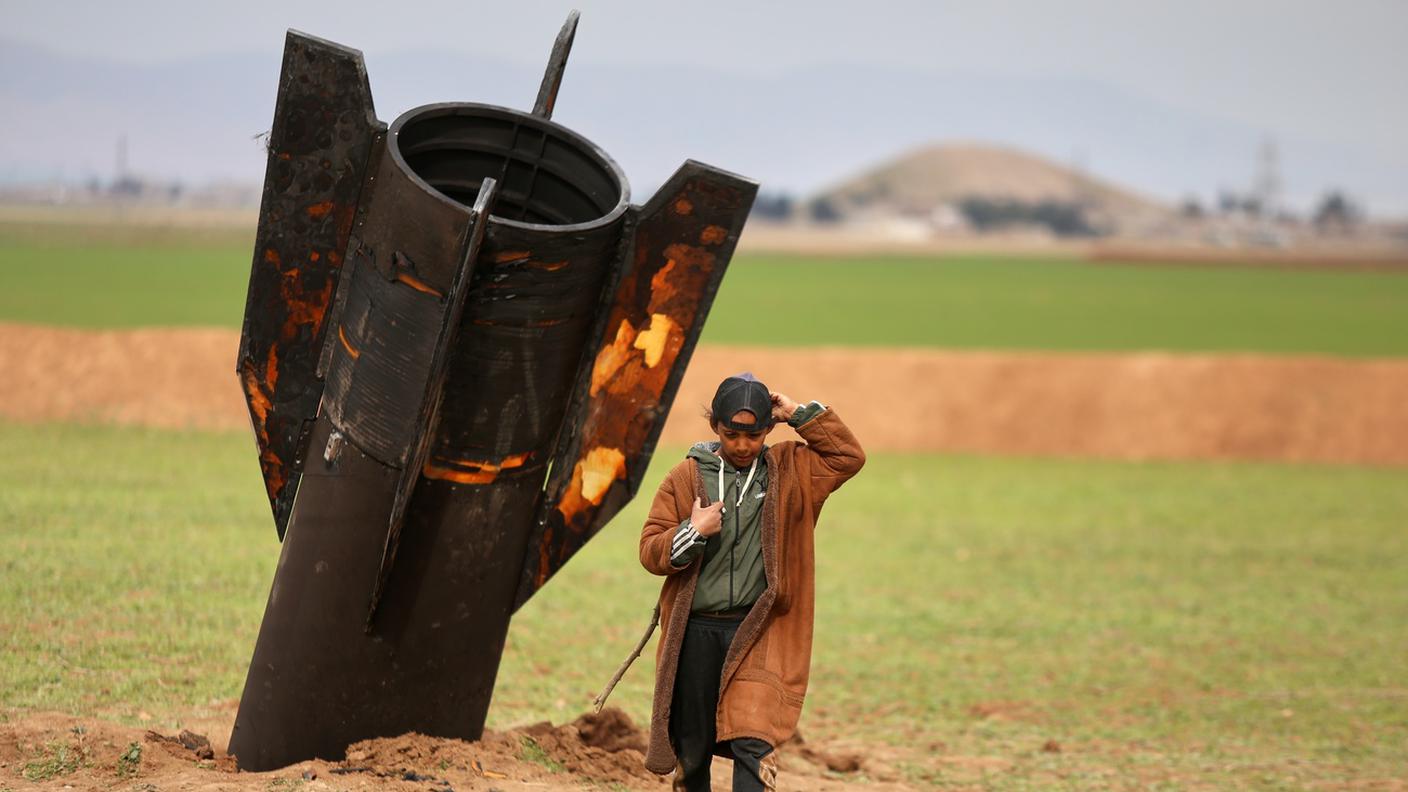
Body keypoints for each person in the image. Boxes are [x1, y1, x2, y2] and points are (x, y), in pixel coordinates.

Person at [638, 373, 865, 791]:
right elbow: (650, 552)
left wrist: (797, 414)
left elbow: (847, 457)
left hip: (758, 633)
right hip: (695, 634)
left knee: (754, 741)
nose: (743, 445)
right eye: (732, 434)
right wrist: (693, 530)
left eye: (755, 434)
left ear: (768, 429)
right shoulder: (684, 478)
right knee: (692, 746)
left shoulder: (793, 472)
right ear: (715, 428)